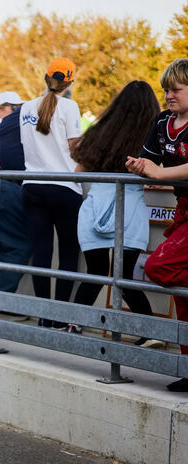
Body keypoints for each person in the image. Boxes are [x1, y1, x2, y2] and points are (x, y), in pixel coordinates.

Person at [70, 81, 160, 342]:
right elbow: (157, 176)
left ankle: (73, 326)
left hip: (95, 206)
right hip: (129, 209)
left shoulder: (100, 132)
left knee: (95, 272)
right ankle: (150, 333)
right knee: (125, 276)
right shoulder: (153, 134)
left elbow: (78, 172)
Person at [125, 58, 188, 392]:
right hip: (183, 210)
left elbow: (166, 170)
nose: (168, 95)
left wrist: (161, 173)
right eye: (166, 89)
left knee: (160, 265)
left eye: (176, 88)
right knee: (182, 299)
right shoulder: (163, 120)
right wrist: (140, 166)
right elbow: (151, 160)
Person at [19, 58, 83, 329]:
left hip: (32, 186)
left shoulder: (25, 107)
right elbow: (76, 149)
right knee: (68, 253)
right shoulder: (70, 107)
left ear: (46, 78)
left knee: (42, 251)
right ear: (69, 82)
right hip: (64, 186)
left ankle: (44, 316)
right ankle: (60, 316)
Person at [0, 99, 32, 297]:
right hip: (4, 185)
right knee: (17, 245)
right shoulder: (33, 113)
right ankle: (0, 305)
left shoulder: (13, 119)